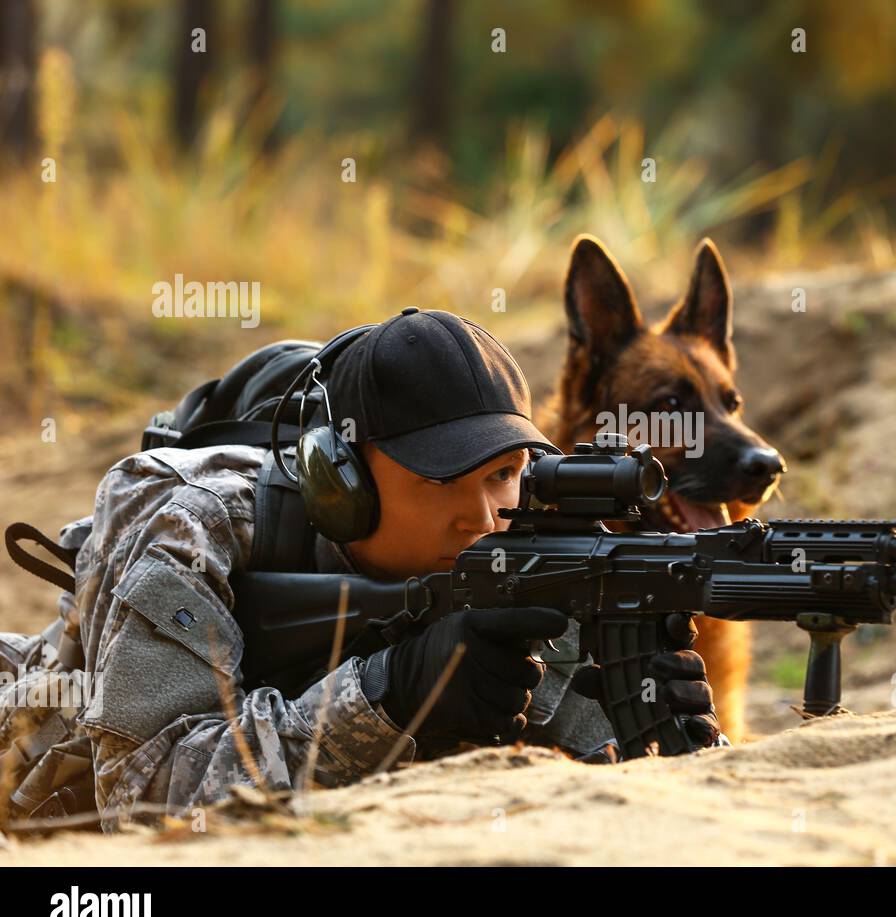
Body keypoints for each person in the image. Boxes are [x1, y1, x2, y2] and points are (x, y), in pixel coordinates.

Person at [0, 309, 721, 832]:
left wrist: (656, 714)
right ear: (339, 484)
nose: (482, 515)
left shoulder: (526, 542)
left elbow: (603, 787)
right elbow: (141, 794)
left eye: (504, 472)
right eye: (442, 481)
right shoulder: (197, 519)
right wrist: (390, 691)